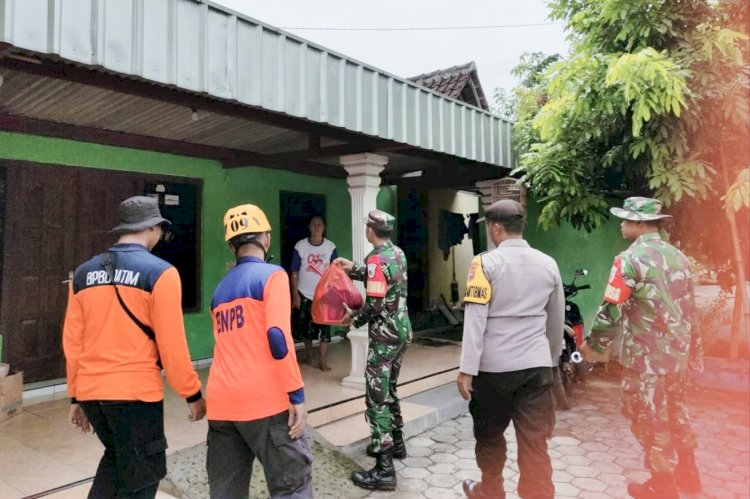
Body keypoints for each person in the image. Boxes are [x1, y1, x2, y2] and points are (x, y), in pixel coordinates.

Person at [63, 195, 206, 499]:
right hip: (135, 395)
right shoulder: (161, 273)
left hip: (92, 394)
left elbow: (73, 342)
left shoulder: (83, 274)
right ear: (153, 227)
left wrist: (76, 396)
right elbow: (172, 344)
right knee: (143, 472)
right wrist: (192, 393)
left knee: (118, 458)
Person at [581, 197, 703, 499]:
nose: (621, 224)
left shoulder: (629, 260)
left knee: (649, 418)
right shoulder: (679, 257)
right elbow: (691, 310)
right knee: (677, 411)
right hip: (678, 355)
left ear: (639, 223)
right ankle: (689, 475)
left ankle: (662, 487)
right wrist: (694, 352)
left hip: (647, 359)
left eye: (625, 219)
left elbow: (611, 308)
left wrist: (595, 345)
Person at [456, 199, 564, 499]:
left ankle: (491, 491)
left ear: (496, 227)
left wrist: (467, 369)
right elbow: (556, 318)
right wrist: (551, 359)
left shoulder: (484, 264)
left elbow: (475, 320)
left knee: (490, 436)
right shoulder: (548, 263)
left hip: (493, 371)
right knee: (534, 441)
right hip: (536, 368)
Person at [206, 204, 312, 498]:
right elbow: (277, 338)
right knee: (292, 486)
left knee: (227, 491)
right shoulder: (273, 276)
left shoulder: (219, 291)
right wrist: (296, 393)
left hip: (222, 405)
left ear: (231, 246)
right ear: (266, 238)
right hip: (265, 403)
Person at [334, 209, 412, 491]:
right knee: (390, 387)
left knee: (376, 398)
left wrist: (353, 319)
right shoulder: (397, 254)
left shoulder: (376, 259)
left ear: (370, 230)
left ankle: (384, 468)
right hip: (402, 331)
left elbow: (375, 304)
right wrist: (353, 267)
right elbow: (382, 277)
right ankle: (398, 443)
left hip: (385, 336)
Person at [290, 215, 338, 371]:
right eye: (314, 225)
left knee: (325, 329)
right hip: (304, 294)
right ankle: (310, 356)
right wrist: (295, 295)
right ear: (309, 227)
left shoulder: (330, 247)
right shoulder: (300, 246)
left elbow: (335, 272)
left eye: (320, 225)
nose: (317, 228)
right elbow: (295, 272)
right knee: (306, 329)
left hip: (324, 295)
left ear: (324, 228)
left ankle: (323, 360)